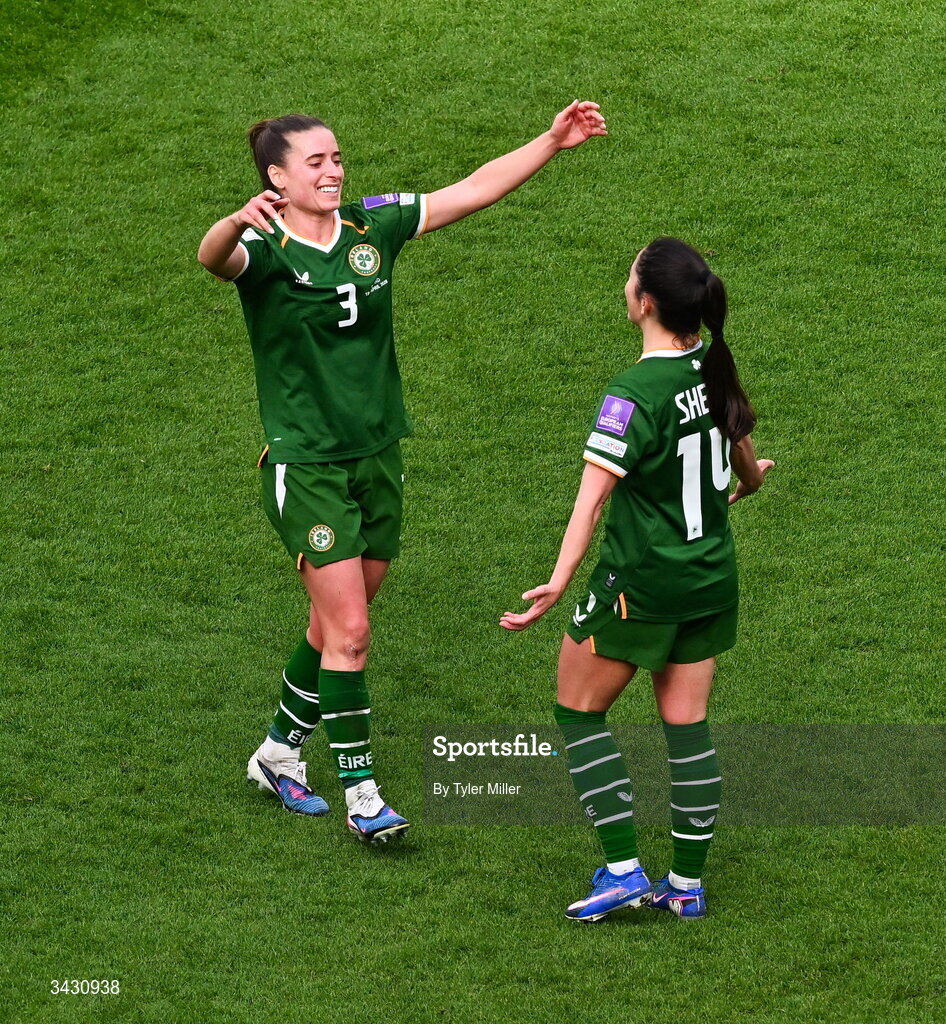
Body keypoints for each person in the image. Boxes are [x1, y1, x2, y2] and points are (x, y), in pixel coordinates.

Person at [197, 102, 607, 844]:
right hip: (307, 468)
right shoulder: (261, 248)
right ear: (276, 178)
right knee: (352, 631)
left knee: (334, 627)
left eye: (337, 157)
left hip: (379, 458)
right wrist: (233, 221)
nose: (333, 170)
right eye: (315, 162)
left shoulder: (369, 228)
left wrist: (551, 141)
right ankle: (363, 797)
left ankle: (277, 751)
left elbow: (471, 189)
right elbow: (210, 259)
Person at [501, 237, 773, 917]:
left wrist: (560, 581)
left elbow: (592, 500)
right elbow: (742, 447)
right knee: (686, 726)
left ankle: (622, 868)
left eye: (629, 275)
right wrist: (750, 481)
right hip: (711, 578)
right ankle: (685, 887)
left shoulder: (632, 394)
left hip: (642, 584)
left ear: (645, 301)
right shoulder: (711, 365)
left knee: (577, 709)